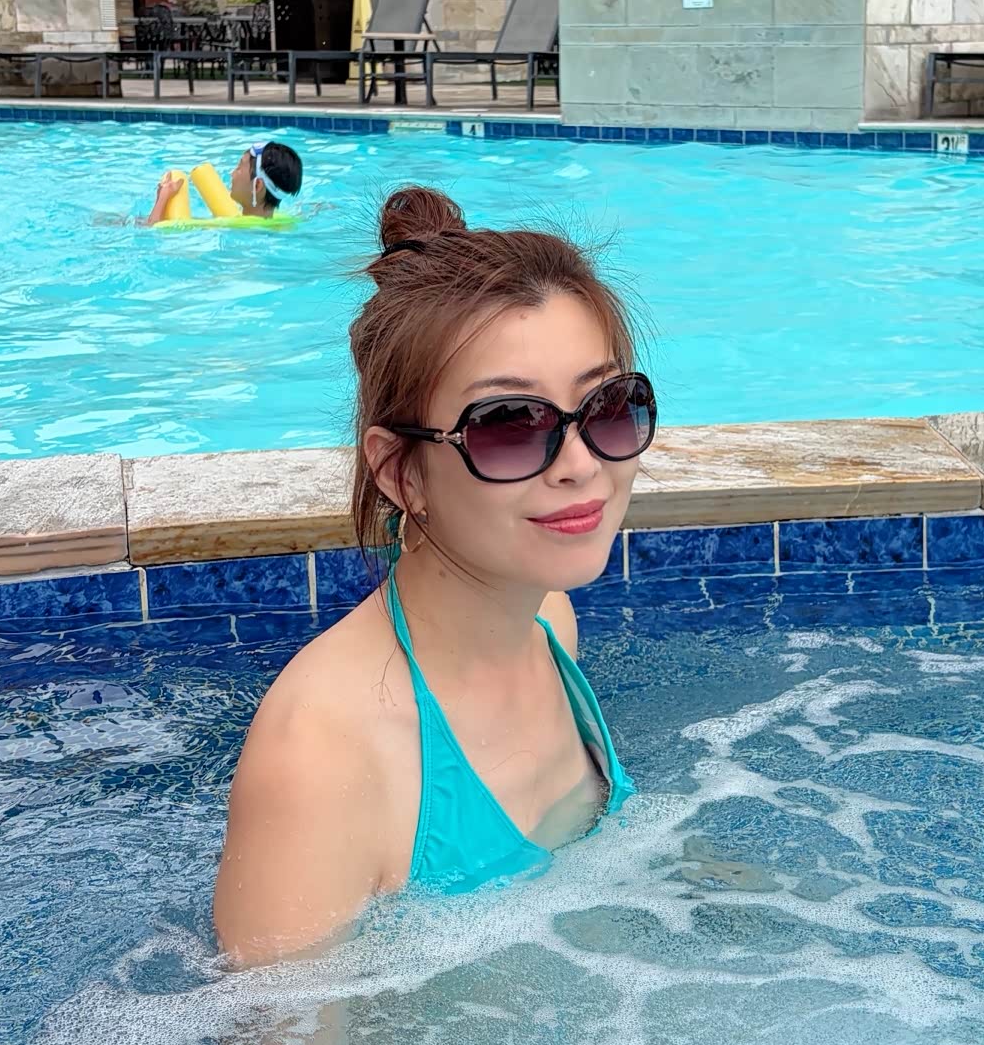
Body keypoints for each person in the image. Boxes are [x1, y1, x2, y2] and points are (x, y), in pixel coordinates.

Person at [213, 185, 657, 966]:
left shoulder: (549, 623)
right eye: (509, 425)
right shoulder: (321, 758)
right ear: (400, 473)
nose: (582, 465)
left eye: (608, 406)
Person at [148, 137, 303, 225]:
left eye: (239, 168)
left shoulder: (230, 226)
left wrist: (163, 197)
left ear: (257, 185)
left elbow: (152, 229)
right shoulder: (282, 220)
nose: (232, 173)